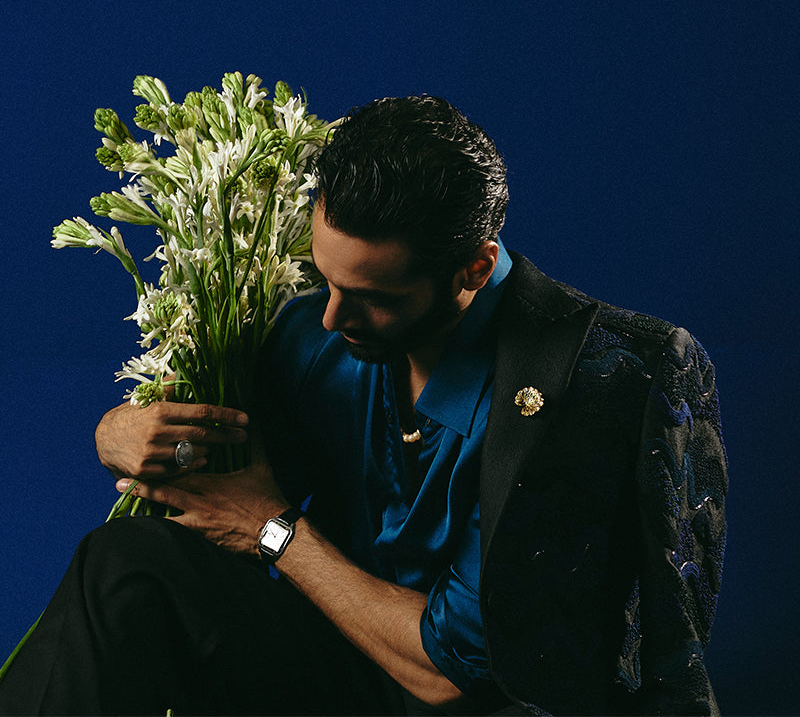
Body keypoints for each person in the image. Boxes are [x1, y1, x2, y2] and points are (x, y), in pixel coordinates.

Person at [0, 96, 727, 716]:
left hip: (486, 701)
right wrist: (124, 435)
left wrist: (278, 533)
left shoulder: (602, 378)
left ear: (474, 268)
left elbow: (455, 670)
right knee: (127, 565)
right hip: (343, 676)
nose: (331, 316)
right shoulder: (313, 336)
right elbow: (222, 489)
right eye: (327, 281)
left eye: (374, 298)